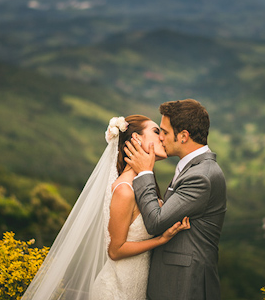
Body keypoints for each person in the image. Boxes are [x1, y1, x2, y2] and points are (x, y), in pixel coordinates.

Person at [21, 115, 189, 300]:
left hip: (136, 290)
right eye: (156, 131)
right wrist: (161, 240)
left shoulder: (144, 185)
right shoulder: (125, 190)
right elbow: (115, 251)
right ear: (136, 138)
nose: (162, 137)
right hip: (116, 292)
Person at [125, 99, 227, 300]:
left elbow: (155, 222)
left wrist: (145, 172)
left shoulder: (201, 176)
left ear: (183, 136)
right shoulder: (192, 167)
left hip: (185, 285)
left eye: (164, 131)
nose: (160, 138)